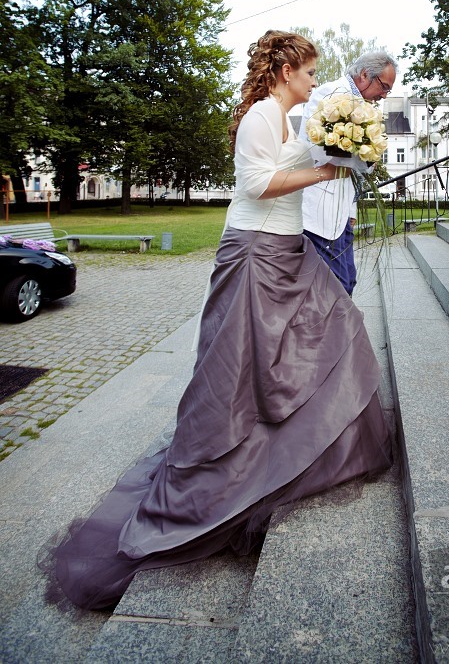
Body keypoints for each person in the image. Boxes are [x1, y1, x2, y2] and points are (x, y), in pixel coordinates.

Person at [45, 31, 392, 611]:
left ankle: (308, 441)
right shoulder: (260, 117)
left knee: (335, 328)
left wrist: (345, 156)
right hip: (255, 253)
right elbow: (257, 184)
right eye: (307, 72)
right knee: (239, 366)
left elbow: (304, 165)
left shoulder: (295, 119)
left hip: (287, 251)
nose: (312, 81)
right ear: (284, 71)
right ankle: (231, 463)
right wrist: (328, 173)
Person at [300, 51, 397, 294]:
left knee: (347, 282)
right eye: (384, 87)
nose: (384, 95)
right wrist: (363, 154)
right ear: (365, 75)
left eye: (388, 91)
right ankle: (329, 331)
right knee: (337, 287)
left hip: (342, 210)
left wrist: (369, 155)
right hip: (320, 208)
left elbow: (355, 164)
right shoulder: (329, 95)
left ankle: (333, 330)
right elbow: (316, 149)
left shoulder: (363, 105)